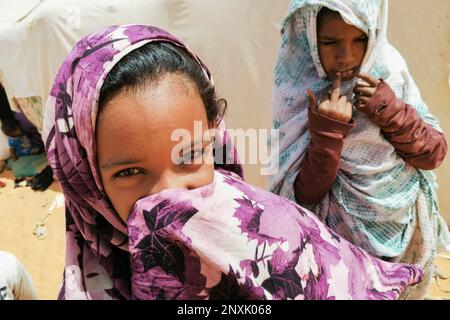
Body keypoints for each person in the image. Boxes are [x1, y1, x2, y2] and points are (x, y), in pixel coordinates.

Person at [43, 24, 423, 300]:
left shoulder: (274, 239)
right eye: (128, 172)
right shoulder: (88, 284)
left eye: (190, 155)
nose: (170, 193)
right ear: (85, 180)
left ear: (215, 137)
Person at [269, 0, 450, 299]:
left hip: (405, 232)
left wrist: (391, 111)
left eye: (360, 39)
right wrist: (327, 132)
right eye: (330, 42)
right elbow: (301, 198)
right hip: (341, 248)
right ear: (309, 38)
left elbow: (433, 153)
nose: (347, 55)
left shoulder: (389, 70)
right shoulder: (298, 87)